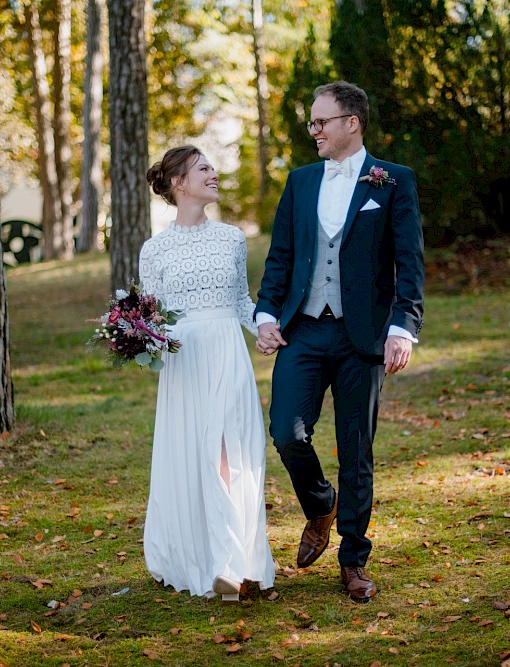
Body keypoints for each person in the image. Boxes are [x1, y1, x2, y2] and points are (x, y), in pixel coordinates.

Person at [254, 81, 424, 602]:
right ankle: (319, 504)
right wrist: (265, 314)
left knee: (357, 451)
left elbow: (409, 262)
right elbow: (281, 255)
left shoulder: (392, 180)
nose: (314, 131)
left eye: (321, 121)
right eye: (312, 121)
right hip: (303, 330)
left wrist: (403, 328)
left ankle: (353, 560)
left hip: (363, 336)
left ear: (352, 122)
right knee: (286, 431)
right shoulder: (301, 182)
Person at [139, 145, 276, 602]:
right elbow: (150, 315)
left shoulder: (232, 238)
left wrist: (265, 326)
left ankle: (233, 564)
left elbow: (241, 300)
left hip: (226, 355)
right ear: (179, 183)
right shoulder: (154, 249)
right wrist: (134, 338)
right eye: (204, 168)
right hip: (183, 362)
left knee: (230, 450)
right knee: (194, 454)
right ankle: (201, 556)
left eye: (212, 167)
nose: (214, 174)